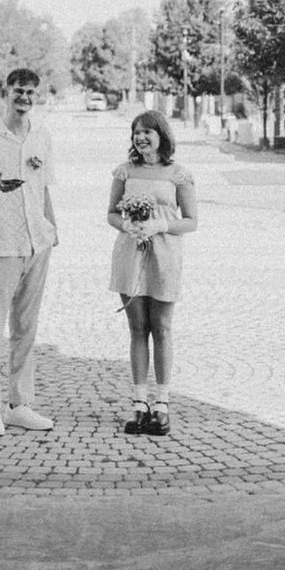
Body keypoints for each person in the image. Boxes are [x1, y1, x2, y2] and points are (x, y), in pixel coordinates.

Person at [0, 68, 59, 436]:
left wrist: (53, 228)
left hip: (37, 240)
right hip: (0, 241)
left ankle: (20, 404)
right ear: (6, 92)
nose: (24, 97)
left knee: (26, 328)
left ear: (37, 96)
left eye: (31, 92)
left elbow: (46, 186)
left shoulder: (42, 137)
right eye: (19, 90)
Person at [107, 110, 197, 435]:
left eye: (148, 132)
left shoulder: (179, 174)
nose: (141, 138)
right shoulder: (124, 172)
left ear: (161, 135)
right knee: (137, 328)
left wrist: (162, 224)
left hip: (165, 255)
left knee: (161, 328)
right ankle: (138, 402)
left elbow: (191, 221)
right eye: (136, 133)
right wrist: (127, 224)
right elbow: (111, 214)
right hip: (130, 254)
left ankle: (162, 402)